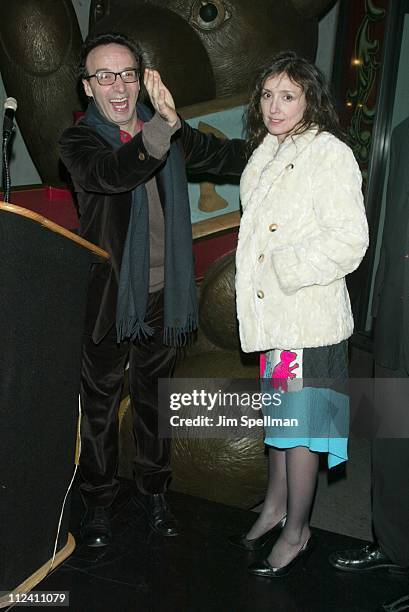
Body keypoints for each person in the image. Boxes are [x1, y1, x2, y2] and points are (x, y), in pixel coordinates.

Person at [59, 31, 246, 547]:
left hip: (167, 297)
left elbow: (226, 156)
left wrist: (288, 145)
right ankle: (97, 501)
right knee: (98, 408)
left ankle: (155, 494)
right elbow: (115, 174)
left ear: (141, 79)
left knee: (154, 403)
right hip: (110, 301)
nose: (118, 86)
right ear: (86, 87)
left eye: (127, 73)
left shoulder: (168, 129)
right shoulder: (79, 142)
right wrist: (162, 128)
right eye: (104, 75)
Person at [232, 51, 369, 578]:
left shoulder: (330, 154)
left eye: (287, 95)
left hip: (308, 321)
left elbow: (351, 240)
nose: (274, 106)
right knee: (281, 425)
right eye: (267, 95)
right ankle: (274, 507)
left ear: (310, 98)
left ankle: (298, 531)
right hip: (276, 324)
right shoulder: (269, 149)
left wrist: (285, 268)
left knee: (304, 429)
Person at [329, 117, 409, 611]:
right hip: (399, 317)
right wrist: (380, 304)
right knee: (390, 443)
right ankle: (394, 546)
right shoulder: (402, 133)